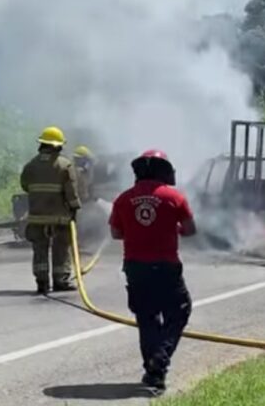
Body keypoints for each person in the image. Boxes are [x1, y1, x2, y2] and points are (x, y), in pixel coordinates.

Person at [108, 150, 197, 393]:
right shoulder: (174, 197)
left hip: (135, 267)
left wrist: (137, 232)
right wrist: (171, 228)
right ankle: (160, 359)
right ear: (164, 171)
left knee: (147, 318)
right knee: (179, 312)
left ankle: (153, 371)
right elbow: (190, 229)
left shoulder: (123, 199)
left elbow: (115, 233)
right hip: (166, 267)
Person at [20, 126, 81, 294]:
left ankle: (42, 282)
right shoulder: (64, 165)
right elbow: (71, 192)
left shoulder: (30, 165)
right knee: (61, 249)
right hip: (59, 218)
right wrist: (74, 208)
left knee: (40, 250)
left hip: (37, 217)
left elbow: (25, 186)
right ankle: (61, 281)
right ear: (58, 146)